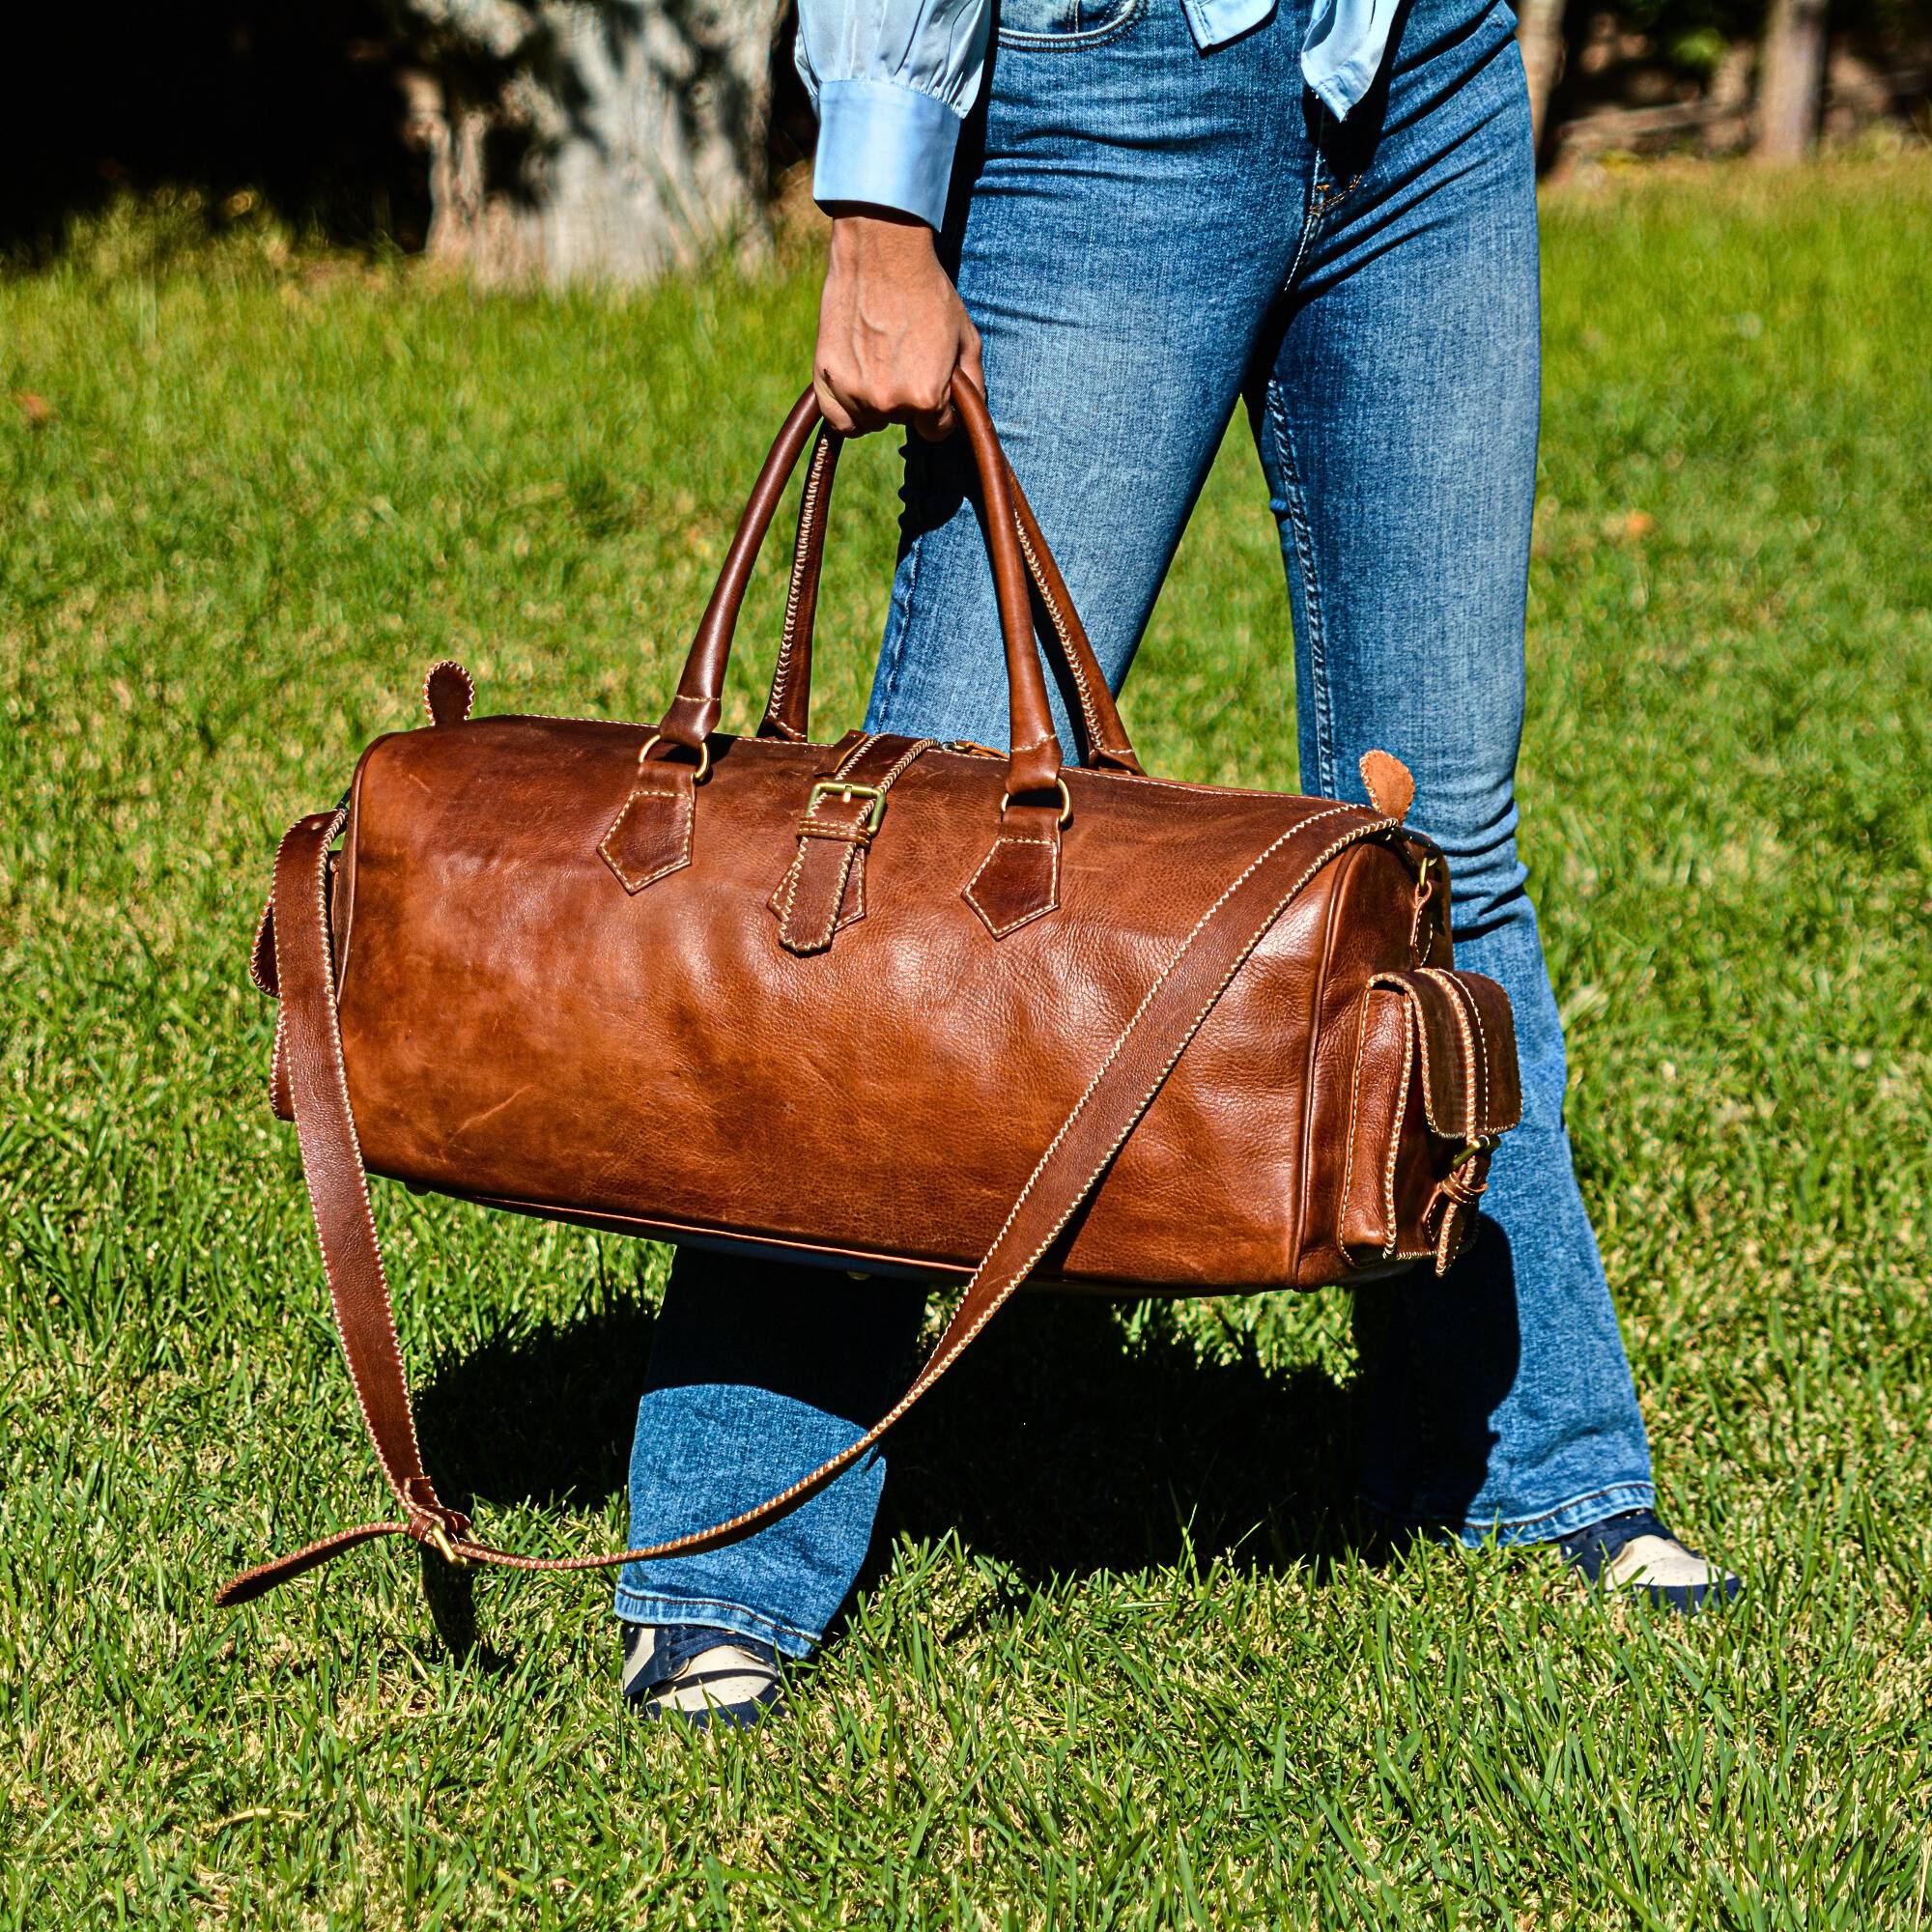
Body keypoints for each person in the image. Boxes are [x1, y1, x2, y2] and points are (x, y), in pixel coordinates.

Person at [614, 0, 1740, 1728]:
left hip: (1422, 78)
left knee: (1441, 848)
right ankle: (724, 1550)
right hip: (1108, 96)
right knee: (919, 857)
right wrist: (879, 195)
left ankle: (1527, 1471)